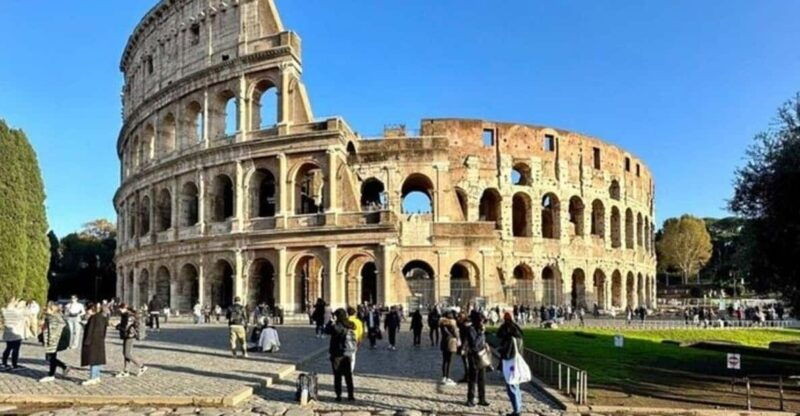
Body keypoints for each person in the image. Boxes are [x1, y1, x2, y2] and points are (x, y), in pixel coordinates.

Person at [325, 309, 356, 402]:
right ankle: (351, 395)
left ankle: (338, 395)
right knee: (348, 375)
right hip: (347, 353)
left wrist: (331, 322)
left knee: (337, 376)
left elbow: (328, 331)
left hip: (337, 353)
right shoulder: (350, 324)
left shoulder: (338, 326)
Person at [497, 312, 524, 416]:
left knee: (511, 385)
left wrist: (500, 349)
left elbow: (507, 353)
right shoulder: (518, 334)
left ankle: (517, 410)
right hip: (516, 361)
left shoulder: (510, 338)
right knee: (516, 385)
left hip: (510, 362)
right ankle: (518, 408)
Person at [40, 302, 70, 382]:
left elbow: (53, 331)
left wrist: (50, 341)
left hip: (53, 340)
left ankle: (52, 374)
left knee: (51, 357)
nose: (46, 309)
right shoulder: (52, 317)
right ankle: (62, 367)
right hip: (53, 340)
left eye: (47, 308)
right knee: (50, 357)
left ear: (51, 309)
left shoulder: (53, 318)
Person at [115, 303, 147, 377]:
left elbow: (126, 327)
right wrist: (118, 326)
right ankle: (126, 371)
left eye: (120, 309)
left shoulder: (128, 316)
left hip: (129, 335)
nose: (119, 311)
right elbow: (124, 325)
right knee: (125, 353)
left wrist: (117, 327)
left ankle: (141, 366)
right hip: (126, 335)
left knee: (127, 353)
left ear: (124, 308)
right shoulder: (125, 314)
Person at [464, 313, 489, 407]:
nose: (482, 323)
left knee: (482, 378)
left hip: (482, 355)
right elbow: (474, 344)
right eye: (481, 321)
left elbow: (482, 341)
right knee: (472, 378)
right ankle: (470, 399)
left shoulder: (480, 329)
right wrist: (481, 333)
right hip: (473, 356)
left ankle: (482, 398)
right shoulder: (471, 329)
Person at [81, 303, 107, 385]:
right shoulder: (102, 317)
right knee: (97, 360)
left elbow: (90, 330)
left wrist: (87, 342)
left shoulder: (93, 318)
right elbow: (104, 330)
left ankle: (92, 377)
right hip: (99, 341)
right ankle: (97, 376)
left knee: (93, 360)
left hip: (92, 342)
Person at [1, 299, 27, 371]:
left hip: (8, 334)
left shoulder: (5, 311)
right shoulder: (18, 312)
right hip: (16, 334)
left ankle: (4, 363)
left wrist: (15, 304)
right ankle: (14, 365)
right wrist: (20, 305)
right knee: (15, 350)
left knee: (8, 348)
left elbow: (4, 308)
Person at [439, 310, 459, 386]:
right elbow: (455, 333)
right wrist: (458, 338)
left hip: (444, 342)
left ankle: (444, 377)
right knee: (450, 361)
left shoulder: (442, 323)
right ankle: (448, 377)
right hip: (451, 342)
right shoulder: (452, 324)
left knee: (445, 361)